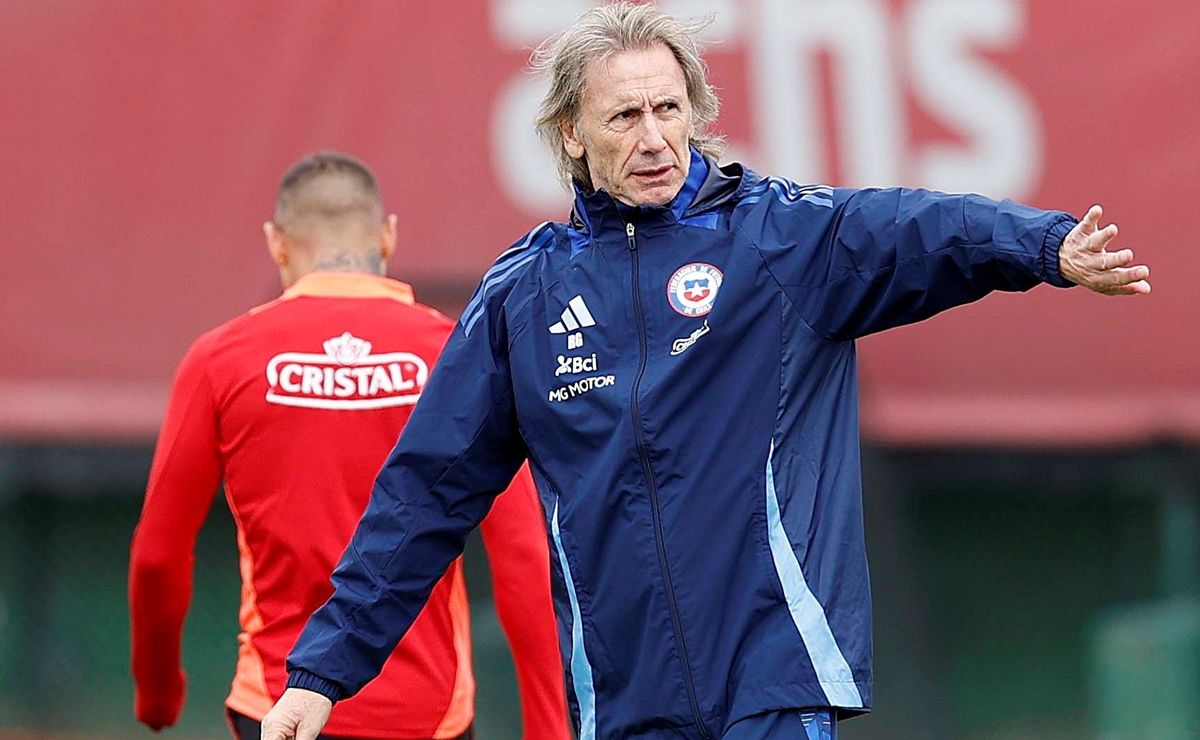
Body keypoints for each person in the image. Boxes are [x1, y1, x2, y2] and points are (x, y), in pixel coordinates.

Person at [262, 5, 1151, 740]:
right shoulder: (521, 301)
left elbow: (922, 228)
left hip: (775, 679)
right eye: (624, 116)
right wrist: (323, 670)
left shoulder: (782, 242)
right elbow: (423, 497)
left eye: (669, 109)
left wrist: (1047, 247)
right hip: (623, 698)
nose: (655, 138)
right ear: (571, 134)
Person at [129, 152, 569, 740]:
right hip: (427, 714)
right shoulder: (456, 352)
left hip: (278, 708)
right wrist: (551, 729)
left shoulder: (220, 359)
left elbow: (158, 555)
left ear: (276, 243)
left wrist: (159, 694)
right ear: (387, 234)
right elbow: (523, 554)